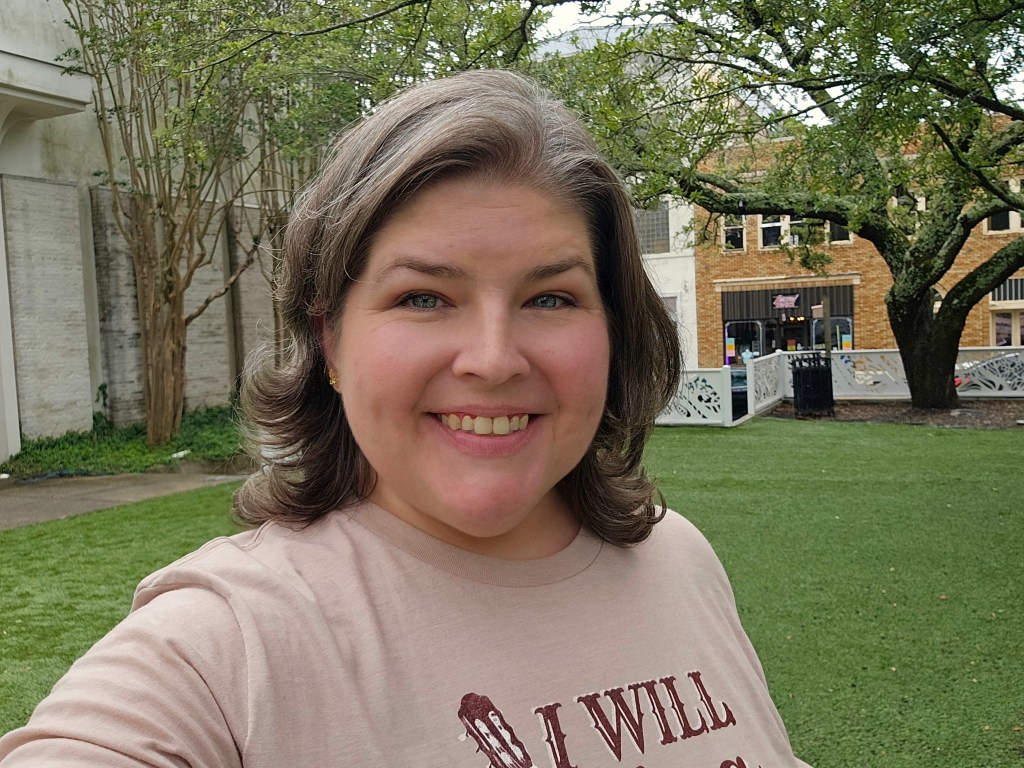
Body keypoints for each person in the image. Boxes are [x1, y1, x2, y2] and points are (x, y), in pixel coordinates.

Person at [0, 69, 812, 767]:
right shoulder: (223, 645)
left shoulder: (678, 558)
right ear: (330, 339)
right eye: (423, 297)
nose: (493, 359)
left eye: (551, 297)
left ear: (613, 328)